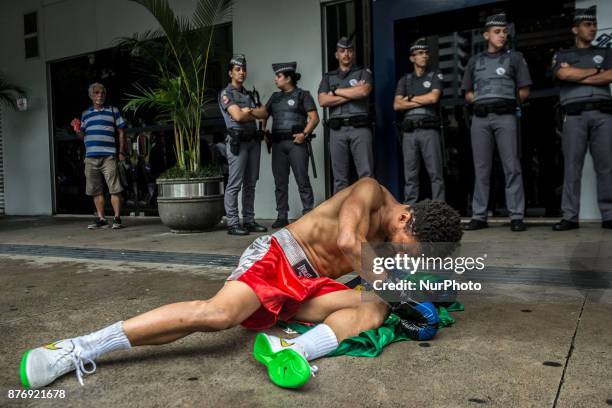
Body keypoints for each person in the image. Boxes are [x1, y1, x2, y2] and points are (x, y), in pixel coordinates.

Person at [20, 177, 462, 390]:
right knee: (217, 316)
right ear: (406, 217)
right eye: (409, 244)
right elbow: (348, 242)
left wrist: (405, 294)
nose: (404, 253)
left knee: (376, 306)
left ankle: (294, 352)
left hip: (308, 287)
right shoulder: (369, 192)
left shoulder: (397, 239)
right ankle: (79, 347)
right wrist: (393, 284)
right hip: (281, 257)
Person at [461, 12, 531, 232]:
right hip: (480, 119)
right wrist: (482, 101)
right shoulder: (475, 61)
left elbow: (524, 90)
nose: (502, 36)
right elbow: (467, 93)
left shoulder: (515, 58)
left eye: (504, 32)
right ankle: (479, 215)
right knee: (481, 168)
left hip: (505, 117)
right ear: (486, 35)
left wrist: (507, 102)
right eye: (497, 32)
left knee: (512, 166)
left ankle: (516, 216)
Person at [551, 6, 612, 231]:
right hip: (574, 116)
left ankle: (609, 214)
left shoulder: (606, 52)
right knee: (572, 167)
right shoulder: (562, 54)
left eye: (594, 24)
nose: (593, 28)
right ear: (575, 29)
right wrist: (596, 72)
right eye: (587, 25)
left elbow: (611, 75)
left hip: (603, 114)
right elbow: (563, 74)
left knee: (606, 166)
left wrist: (578, 75)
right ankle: (570, 216)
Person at [263, 62, 319, 229]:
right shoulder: (274, 97)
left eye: (279, 76)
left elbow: (314, 118)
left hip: (296, 144)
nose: (275, 80)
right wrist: (264, 130)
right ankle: (282, 216)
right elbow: (264, 114)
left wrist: (304, 134)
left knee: (302, 180)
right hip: (278, 144)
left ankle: (308, 213)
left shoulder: (303, 95)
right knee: (280, 183)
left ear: (288, 78)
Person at [219, 54, 268, 236]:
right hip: (237, 143)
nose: (242, 72)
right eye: (238, 69)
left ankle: (248, 220)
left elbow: (264, 113)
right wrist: (247, 113)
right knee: (235, 184)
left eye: (243, 69)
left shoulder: (249, 94)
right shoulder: (226, 94)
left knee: (251, 183)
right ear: (230, 72)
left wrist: (248, 111)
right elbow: (237, 117)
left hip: (253, 141)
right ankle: (232, 223)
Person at [318, 36, 374, 193]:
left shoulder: (363, 72)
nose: (346, 54)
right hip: (337, 131)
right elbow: (323, 100)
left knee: (366, 175)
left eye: (349, 51)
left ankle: (366, 211)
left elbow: (363, 91)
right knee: (339, 178)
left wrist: (335, 92)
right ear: (336, 54)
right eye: (342, 51)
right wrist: (351, 93)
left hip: (360, 129)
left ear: (353, 54)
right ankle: (340, 214)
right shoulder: (328, 77)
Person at [393, 38, 446, 204]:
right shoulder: (405, 80)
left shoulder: (435, 75)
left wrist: (410, 99)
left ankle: (439, 208)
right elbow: (397, 104)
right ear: (412, 58)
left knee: (435, 173)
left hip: (429, 129)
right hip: (409, 132)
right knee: (410, 175)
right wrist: (417, 100)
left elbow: (433, 98)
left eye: (426, 53)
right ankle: (411, 209)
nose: (424, 56)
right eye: (420, 53)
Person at [71, 82, 127, 230]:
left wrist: (121, 152)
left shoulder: (113, 111)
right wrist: (77, 129)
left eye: (102, 93)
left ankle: (117, 218)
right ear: (91, 95)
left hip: (109, 156)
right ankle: (102, 219)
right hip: (90, 157)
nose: (100, 95)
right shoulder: (86, 114)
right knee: (96, 190)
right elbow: (83, 136)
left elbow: (121, 132)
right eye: (96, 93)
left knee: (115, 188)